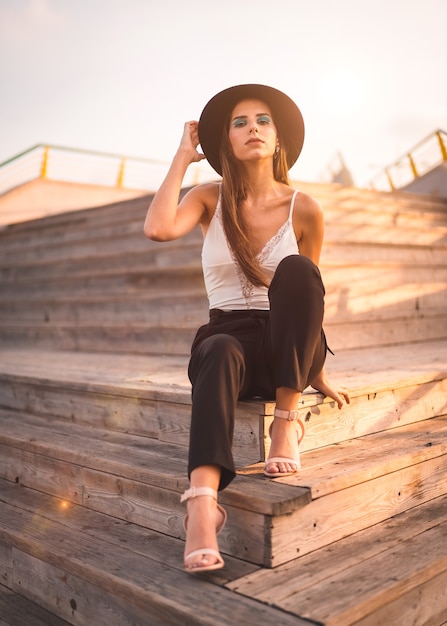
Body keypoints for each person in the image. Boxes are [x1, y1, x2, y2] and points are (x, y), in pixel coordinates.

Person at [144, 84, 350, 574]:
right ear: (226, 143)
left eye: (262, 120)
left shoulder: (305, 209)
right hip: (227, 338)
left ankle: (285, 421)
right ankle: (202, 505)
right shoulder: (207, 198)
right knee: (216, 348)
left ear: (277, 140)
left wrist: (312, 364)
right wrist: (181, 157)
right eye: (239, 123)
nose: (252, 128)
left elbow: (306, 299)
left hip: (284, 348)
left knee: (298, 269)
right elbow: (158, 228)